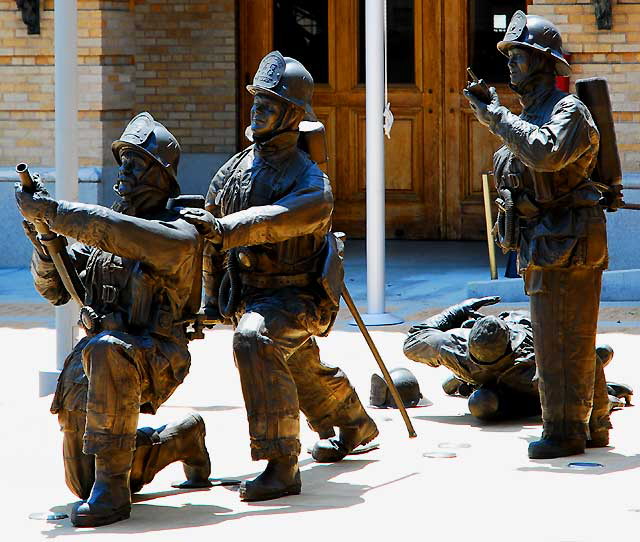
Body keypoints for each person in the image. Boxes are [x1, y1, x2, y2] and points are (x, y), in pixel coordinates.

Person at [180, 51, 377, 502]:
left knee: (255, 340)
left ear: (291, 114)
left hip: (298, 295)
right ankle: (353, 423)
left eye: (267, 104)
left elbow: (278, 219)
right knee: (297, 362)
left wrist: (226, 229)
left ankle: (281, 462)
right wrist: (208, 302)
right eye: (255, 102)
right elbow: (209, 239)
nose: (256, 111)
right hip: (248, 292)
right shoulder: (231, 171)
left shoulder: (310, 181)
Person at [15, 112, 211, 527]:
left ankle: (114, 491)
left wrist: (55, 211)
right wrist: (44, 242)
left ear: (162, 177)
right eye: (122, 160)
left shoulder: (177, 233)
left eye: (136, 163)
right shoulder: (106, 241)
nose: (124, 171)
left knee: (106, 352)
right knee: (82, 482)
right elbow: (54, 289)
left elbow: (115, 231)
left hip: (157, 354)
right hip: (100, 360)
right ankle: (180, 439)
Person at [463, 12, 608, 458]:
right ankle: (596, 421)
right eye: (509, 56)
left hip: (570, 239)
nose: (510, 64)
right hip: (545, 241)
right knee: (562, 333)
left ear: (544, 63)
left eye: (520, 57)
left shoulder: (568, 111)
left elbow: (545, 153)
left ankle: (564, 430)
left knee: (560, 337)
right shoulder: (531, 113)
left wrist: (496, 116)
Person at [403, 297, 626, 423]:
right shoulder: (533, 360)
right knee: (482, 404)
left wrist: (458, 311)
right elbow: (576, 391)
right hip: (519, 390)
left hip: (497, 381)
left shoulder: (455, 350)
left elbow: (415, 337)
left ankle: (468, 383)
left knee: (597, 353)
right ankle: (471, 385)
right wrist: (606, 396)